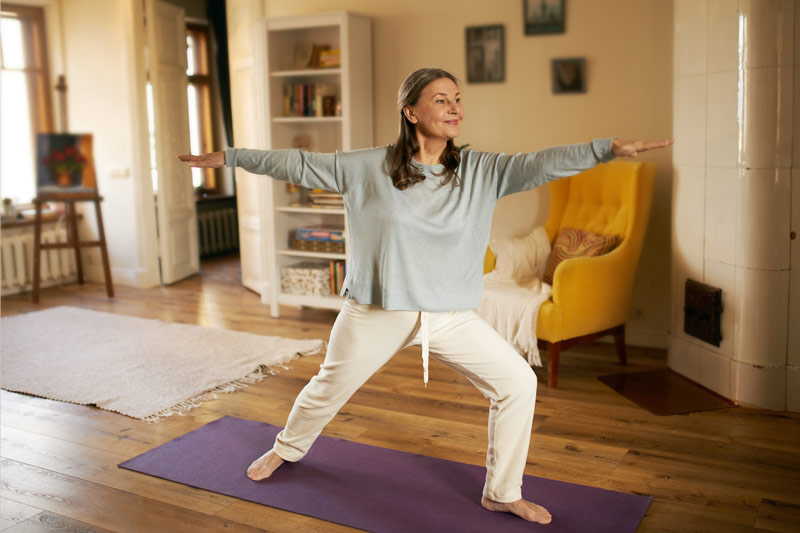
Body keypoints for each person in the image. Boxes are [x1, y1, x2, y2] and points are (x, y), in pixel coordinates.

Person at [179, 67, 673, 525]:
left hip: (450, 315)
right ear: (411, 112)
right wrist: (232, 157)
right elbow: (301, 164)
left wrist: (605, 148)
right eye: (442, 99)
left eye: (458, 99)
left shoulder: (482, 170)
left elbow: (541, 164)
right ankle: (286, 449)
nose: (455, 107)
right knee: (328, 388)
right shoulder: (366, 168)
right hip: (377, 311)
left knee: (519, 383)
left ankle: (501, 491)